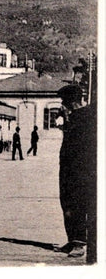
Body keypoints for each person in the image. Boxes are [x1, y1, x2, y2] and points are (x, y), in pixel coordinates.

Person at [55, 84, 96, 260]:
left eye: (64, 101)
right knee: (67, 204)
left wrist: (67, 121)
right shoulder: (74, 117)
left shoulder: (85, 117)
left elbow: (80, 145)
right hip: (68, 168)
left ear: (72, 101)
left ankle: (79, 243)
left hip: (79, 170)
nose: (62, 105)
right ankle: (73, 240)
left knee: (77, 204)